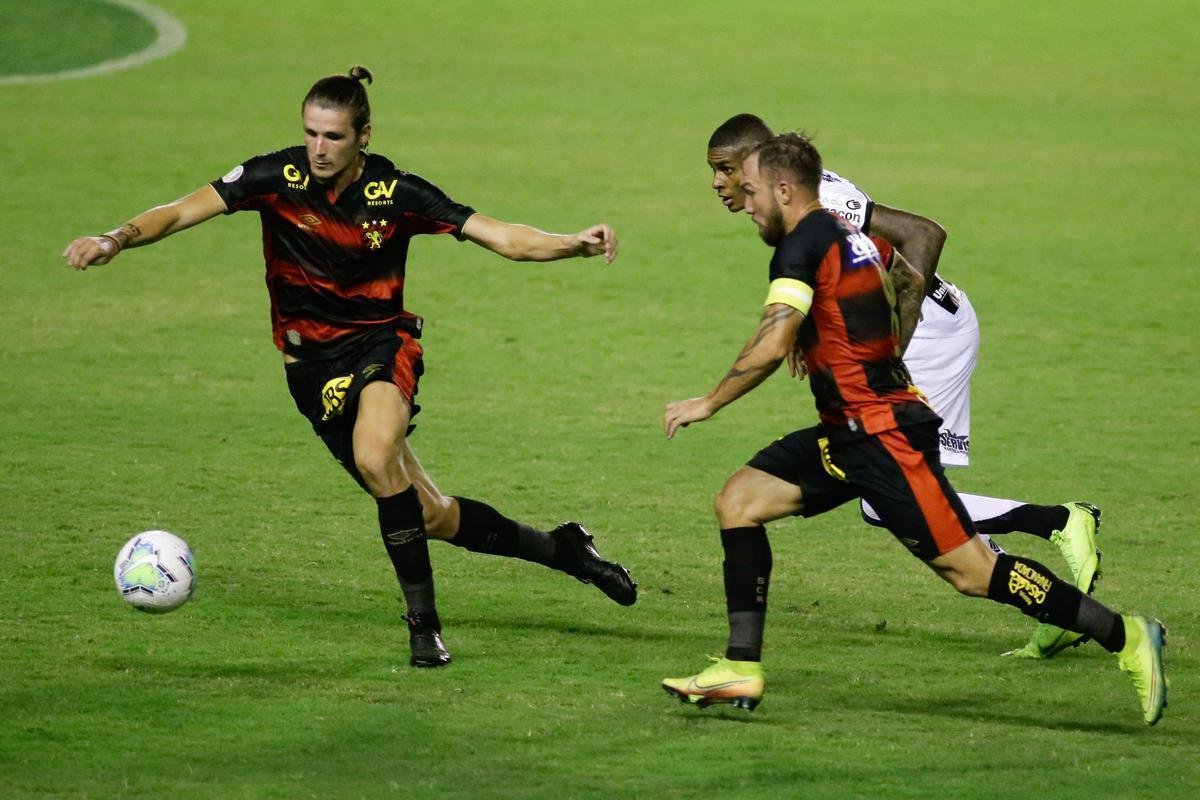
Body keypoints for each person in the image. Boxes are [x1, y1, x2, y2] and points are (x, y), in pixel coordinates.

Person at [63, 65, 636, 669]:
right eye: (311, 133)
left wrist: (574, 243)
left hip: (381, 346)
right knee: (429, 514)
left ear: (365, 134)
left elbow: (501, 235)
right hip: (311, 372)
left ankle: (423, 626)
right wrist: (115, 238)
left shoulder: (397, 195)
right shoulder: (273, 178)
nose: (318, 148)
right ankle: (565, 550)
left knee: (373, 454)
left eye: (333, 136)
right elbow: (180, 211)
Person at [660, 132, 1166, 725]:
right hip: (850, 431)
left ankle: (1127, 635)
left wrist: (711, 401)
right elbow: (903, 282)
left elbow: (772, 342)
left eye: (748, 192)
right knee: (739, 501)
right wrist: (867, 352)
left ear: (782, 188)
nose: (744, 204)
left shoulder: (798, 248)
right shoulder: (852, 237)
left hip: (883, 438)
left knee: (974, 574)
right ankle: (740, 667)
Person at [703, 114, 1099, 659]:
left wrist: (890, 354)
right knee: (900, 497)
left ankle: (1057, 525)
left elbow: (922, 235)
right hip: (895, 337)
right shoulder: (788, 199)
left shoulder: (822, 203)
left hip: (928, 333)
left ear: (760, 164)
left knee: (887, 499)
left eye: (727, 171)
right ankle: (1051, 600)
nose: (720, 185)